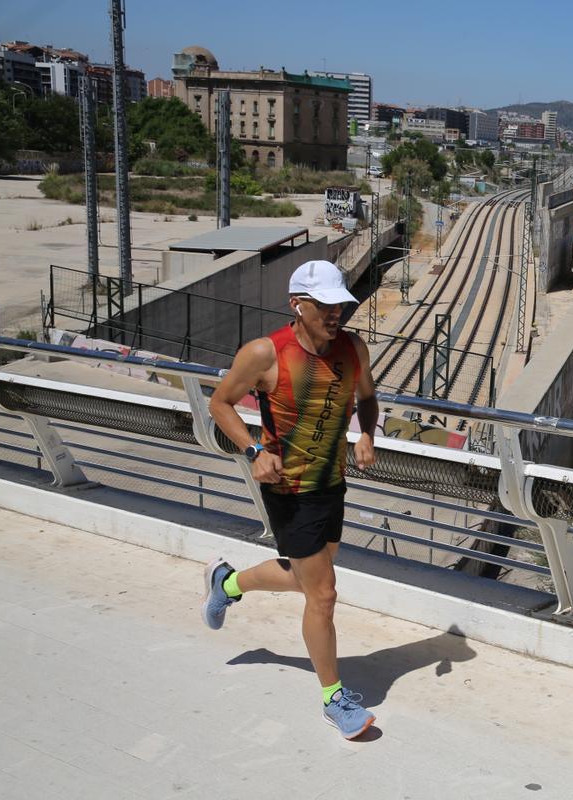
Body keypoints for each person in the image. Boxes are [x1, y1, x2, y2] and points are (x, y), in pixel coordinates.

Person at [202, 259, 380, 740]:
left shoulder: (352, 348)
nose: (334, 313)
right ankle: (334, 699)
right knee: (323, 594)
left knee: (307, 581)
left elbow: (366, 397)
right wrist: (253, 450)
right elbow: (219, 403)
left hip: (331, 482)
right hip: (287, 488)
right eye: (323, 305)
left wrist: (366, 434)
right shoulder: (265, 353)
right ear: (296, 305)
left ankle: (228, 583)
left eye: (339, 304)